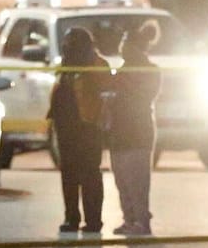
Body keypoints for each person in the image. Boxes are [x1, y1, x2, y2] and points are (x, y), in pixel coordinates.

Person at [50, 26, 107, 235]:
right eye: (66, 44)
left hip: (87, 126)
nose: (67, 47)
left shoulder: (97, 64)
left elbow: (102, 92)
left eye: (71, 43)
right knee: (68, 173)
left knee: (90, 173)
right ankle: (71, 217)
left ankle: (93, 220)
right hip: (66, 127)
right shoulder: (65, 66)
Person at [107, 19, 161, 236]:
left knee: (137, 180)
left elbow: (143, 96)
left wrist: (120, 90)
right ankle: (129, 219)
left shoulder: (150, 70)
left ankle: (142, 220)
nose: (123, 48)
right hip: (119, 131)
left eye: (126, 44)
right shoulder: (120, 71)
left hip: (138, 131)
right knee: (121, 179)